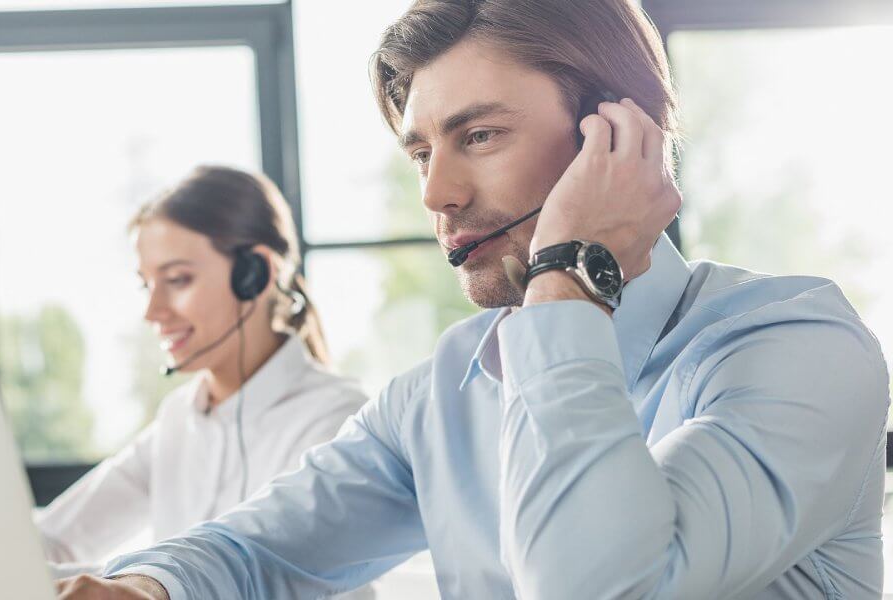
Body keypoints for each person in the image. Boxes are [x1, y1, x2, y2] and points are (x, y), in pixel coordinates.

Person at [56, 1, 890, 598]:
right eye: (421, 152)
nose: (438, 194)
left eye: (478, 136)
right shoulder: (441, 393)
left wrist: (568, 275)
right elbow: (261, 549)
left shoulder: (796, 345)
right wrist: (144, 589)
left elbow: (597, 587)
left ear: (619, 137)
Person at [37, 166, 371, 598]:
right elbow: (57, 537)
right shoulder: (180, 416)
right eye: (146, 285)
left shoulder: (334, 418)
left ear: (254, 273)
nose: (152, 311)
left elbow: (277, 576)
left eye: (176, 280)